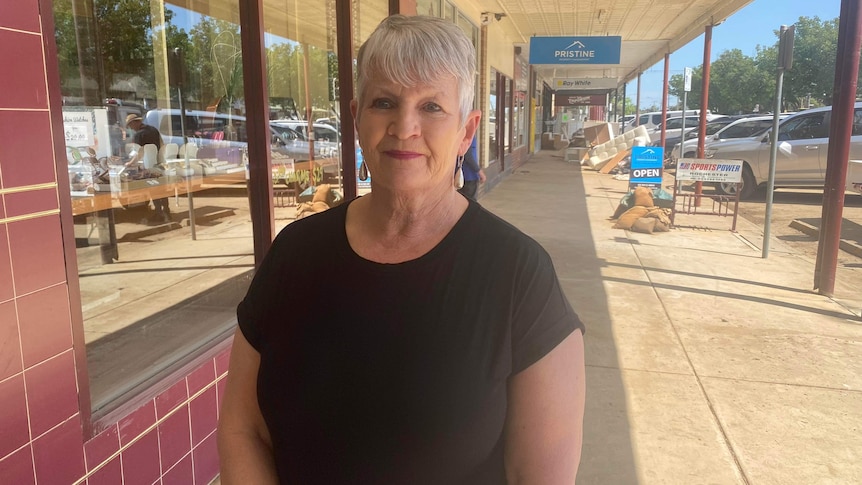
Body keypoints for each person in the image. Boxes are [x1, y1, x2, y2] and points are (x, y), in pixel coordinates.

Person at [218, 15, 585, 484]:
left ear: (466, 131)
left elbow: (538, 475)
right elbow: (243, 429)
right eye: (384, 102)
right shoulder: (294, 254)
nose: (403, 126)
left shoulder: (518, 275)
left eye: (431, 106)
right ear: (356, 119)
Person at [125, 113, 171, 223]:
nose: (131, 128)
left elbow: (139, 153)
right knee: (162, 189)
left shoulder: (139, 135)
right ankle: (167, 211)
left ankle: (159, 213)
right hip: (159, 163)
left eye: (131, 125)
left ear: (135, 122)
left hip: (148, 166)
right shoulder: (153, 130)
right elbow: (162, 144)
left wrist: (130, 163)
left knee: (153, 189)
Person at [458, 134, 485, 200]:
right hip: (469, 176)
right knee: (471, 202)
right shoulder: (468, 136)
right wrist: (480, 172)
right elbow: (468, 157)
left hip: (462, 176)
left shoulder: (460, 135)